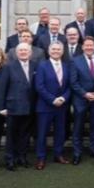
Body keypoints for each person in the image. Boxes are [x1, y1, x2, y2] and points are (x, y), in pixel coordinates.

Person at [0, 43, 36, 171]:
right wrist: (1, 107)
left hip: (30, 107)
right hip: (13, 106)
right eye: (21, 50)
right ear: (16, 53)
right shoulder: (8, 66)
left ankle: (22, 157)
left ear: (30, 53)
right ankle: (10, 159)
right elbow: (2, 88)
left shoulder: (35, 65)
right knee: (11, 135)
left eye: (26, 50)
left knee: (25, 134)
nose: (23, 52)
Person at [34, 42, 71, 170]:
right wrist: (52, 99)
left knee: (60, 132)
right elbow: (39, 86)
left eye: (58, 49)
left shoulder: (66, 66)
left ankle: (58, 154)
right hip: (45, 106)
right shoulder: (42, 66)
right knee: (42, 133)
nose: (56, 51)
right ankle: (41, 158)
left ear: (62, 51)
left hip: (61, 105)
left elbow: (69, 86)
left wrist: (63, 98)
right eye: (53, 49)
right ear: (49, 51)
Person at [69, 36, 94, 165]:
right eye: (86, 45)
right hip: (80, 99)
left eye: (91, 45)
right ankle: (77, 153)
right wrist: (85, 94)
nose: (89, 47)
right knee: (78, 127)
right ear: (83, 47)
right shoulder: (75, 61)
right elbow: (73, 82)